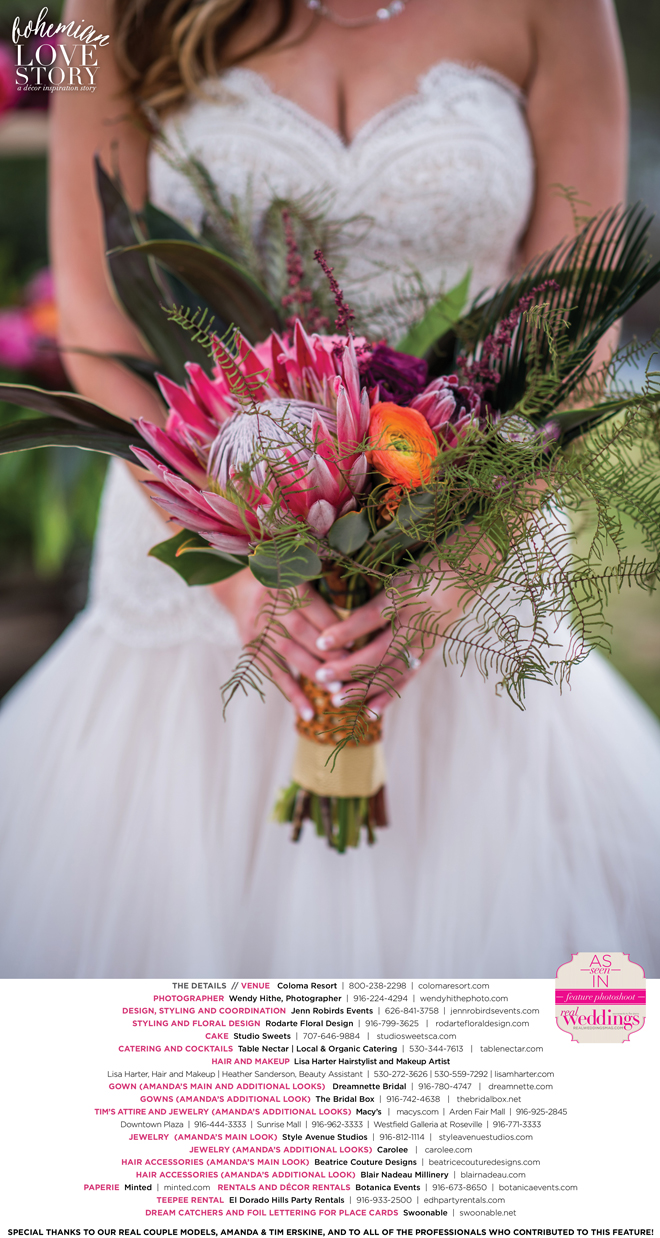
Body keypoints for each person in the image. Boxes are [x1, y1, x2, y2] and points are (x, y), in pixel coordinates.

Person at [1, 0, 659, 978]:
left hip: (478, 552)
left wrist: (455, 572)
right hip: (199, 558)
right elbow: (100, 324)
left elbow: (577, 323)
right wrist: (240, 576)